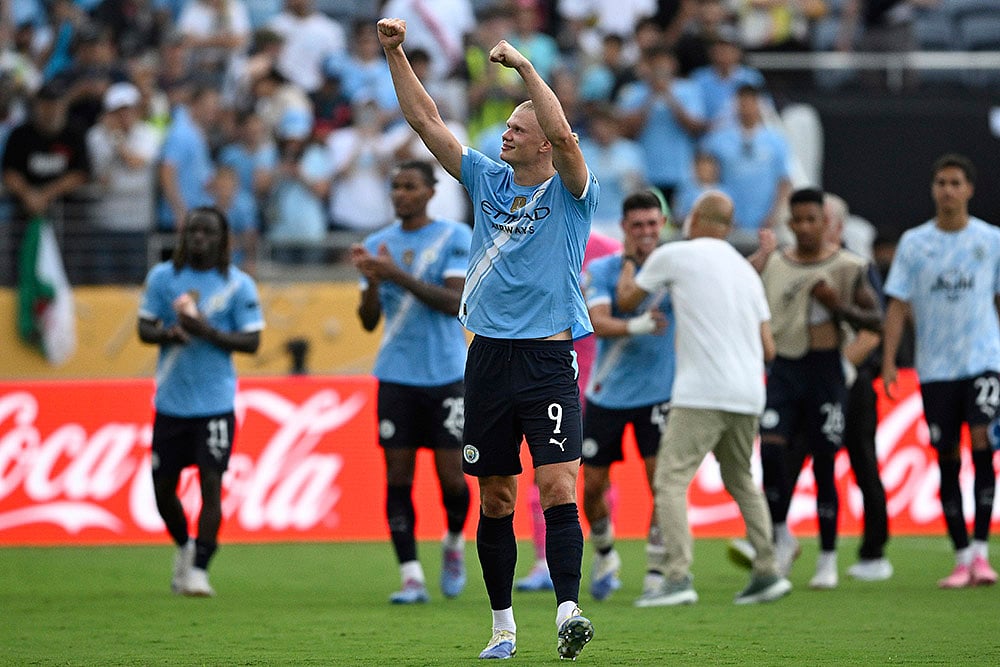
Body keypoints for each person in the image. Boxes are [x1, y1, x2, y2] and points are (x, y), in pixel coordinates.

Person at [377, 17, 596, 660]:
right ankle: (503, 627)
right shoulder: (485, 179)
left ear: (544, 143)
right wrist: (395, 54)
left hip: (548, 357)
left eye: (516, 129)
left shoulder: (573, 192)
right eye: (506, 127)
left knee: (558, 486)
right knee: (496, 495)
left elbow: (564, 132)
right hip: (487, 358)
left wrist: (525, 68)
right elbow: (425, 120)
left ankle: (567, 609)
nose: (505, 134)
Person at [615, 190, 791, 606]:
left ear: (695, 219)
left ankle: (677, 577)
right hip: (748, 393)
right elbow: (769, 348)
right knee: (741, 479)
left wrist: (629, 258)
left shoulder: (675, 255)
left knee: (670, 480)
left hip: (701, 391)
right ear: (728, 227)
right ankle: (768, 570)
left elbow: (626, 301)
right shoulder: (746, 272)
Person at [349, 160, 473, 604]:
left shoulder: (454, 237)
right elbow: (368, 321)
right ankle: (411, 576)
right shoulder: (377, 244)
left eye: (410, 186)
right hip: (396, 376)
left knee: (452, 478)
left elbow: (454, 302)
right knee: (398, 476)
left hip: (447, 374)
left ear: (430, 192)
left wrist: (394, 275)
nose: (400, 193)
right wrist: (370, 283)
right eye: (395, 186)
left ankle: (453, 543)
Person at [754, 187, 882, 590]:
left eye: (813, 219)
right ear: (790, 223)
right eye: (799, 220)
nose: (806, 227)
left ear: (826, 223)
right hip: (784, 368)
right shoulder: (776, 263)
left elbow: (875, 321)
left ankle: (827, 557)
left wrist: (836, 305)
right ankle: (781, 535)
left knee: (826, 462)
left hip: (826, 371)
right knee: (771, 450)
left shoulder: (849, 265)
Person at [881, 153, 1000, 588]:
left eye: (955, 183)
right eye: (941, 183)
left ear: (969, 189)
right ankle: (961, 556)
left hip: (984, 360)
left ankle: (982, 553)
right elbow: (897, 304)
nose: (948, 190)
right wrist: (890, 361)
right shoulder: (915, 243)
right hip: (935, 368)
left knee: (983, 438)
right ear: (933, 190)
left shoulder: (991, 239)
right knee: (946, 453)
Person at [137, 206, 264, 596]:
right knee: (163, 489)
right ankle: (184, 545)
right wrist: (168, 334)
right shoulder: (163, 278)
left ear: (222, 240)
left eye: (208, 232)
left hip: (215, 403)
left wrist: (205, 330)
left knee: (211, 483)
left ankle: (200, 569)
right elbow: (144, 328)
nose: (199, 238)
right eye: (193, 230)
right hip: (171, 402)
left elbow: (252, 341)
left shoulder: (238, 285)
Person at [580, 190, 675, 602]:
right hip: (607, 394)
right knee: (591, 487)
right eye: (638, 225)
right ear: (624, 228)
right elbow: (599, 321)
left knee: (662, 486)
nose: (646, 231)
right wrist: (638, 325)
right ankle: (605, 554)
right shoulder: (601, 269)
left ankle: (656, 568)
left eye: (652, 223)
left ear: (663, 225)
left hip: (659, 395)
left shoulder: (675, 269)